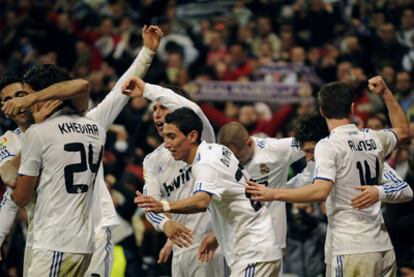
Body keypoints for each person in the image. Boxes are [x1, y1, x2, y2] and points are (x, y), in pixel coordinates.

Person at [0, 25, 163, 276]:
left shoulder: (80, 122)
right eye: (6, 100)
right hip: (49, 235)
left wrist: (146, 54)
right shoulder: (11, 141)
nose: (15, 103)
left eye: (21, 95)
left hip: (87, 232)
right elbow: (10, 191)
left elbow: (118, 92)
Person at [245, 76, 411, 277]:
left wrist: (272, 194)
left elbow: (319, 190)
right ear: (351, 108)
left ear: (322, 111)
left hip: (351, 248)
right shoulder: (371, 138)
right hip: (381, 246)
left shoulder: (329, 146)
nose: (310, 157)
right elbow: (403, 131)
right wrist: (385, 92)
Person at [135, 107, 282, 277]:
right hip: (256, 246)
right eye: (165, 137)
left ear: (192, 136)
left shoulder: (204, 163)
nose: (167, 144)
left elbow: (201, 201)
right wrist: (215, 237)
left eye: (172, 137)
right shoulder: (218, 150)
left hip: (252, 250)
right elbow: (237, 194)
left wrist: (164, 206)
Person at [121, 76, 226, 277]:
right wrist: (165, 224)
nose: (157, 114)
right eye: (154, 109)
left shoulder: (201, 138)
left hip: (212, 246)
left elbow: (192, 110)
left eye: (163, 108)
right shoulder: (152, 160)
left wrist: (147, 89)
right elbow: (150, 205)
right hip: (180, 251)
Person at [217, 121, 305, 275]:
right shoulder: (222, 161)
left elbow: (316, 143)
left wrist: (305, 181)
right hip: (234, 243)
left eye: (239, 157)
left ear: (249, 143)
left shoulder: (275, 150)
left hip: (266, 244)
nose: (236, 163)